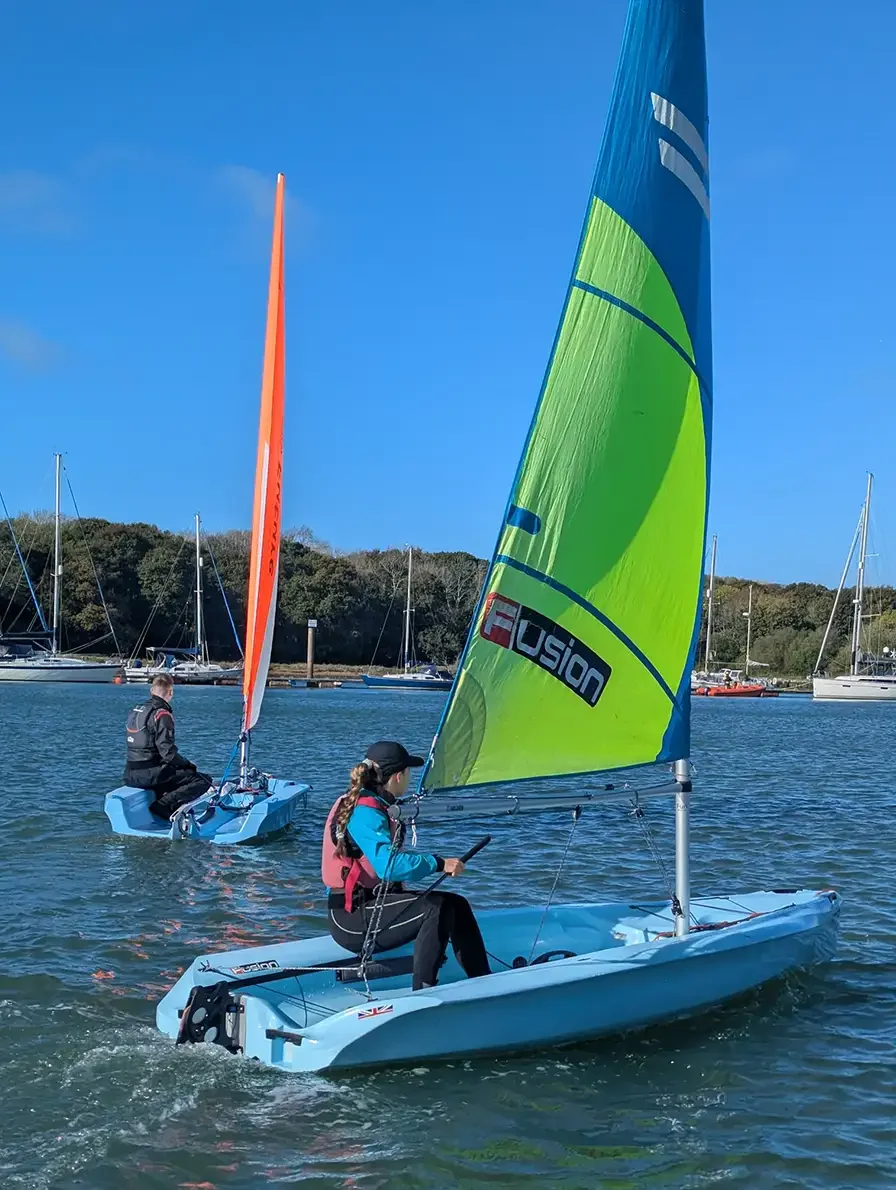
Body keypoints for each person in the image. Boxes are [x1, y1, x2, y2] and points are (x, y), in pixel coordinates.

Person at [323, 740, 491, 991]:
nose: (410, 777)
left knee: (457, 904)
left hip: (371, 907)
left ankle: (484, 979)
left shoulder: (375, 802)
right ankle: (423, 991)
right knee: (438, 908)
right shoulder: (363, 810)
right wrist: (439, 863)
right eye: (409, 772)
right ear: (399, 775)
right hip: (351, 920)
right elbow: (388, 867)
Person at [124, 674, 213, 820]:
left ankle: (166, 806)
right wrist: (188, 765)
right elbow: (168, 753)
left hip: (130, 773)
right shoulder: (161, 714)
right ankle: (164, 805)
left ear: (151, 691)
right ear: (170, 692)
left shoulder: (136, 711)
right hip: (150, 775)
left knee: (173, 773)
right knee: (203, 780)